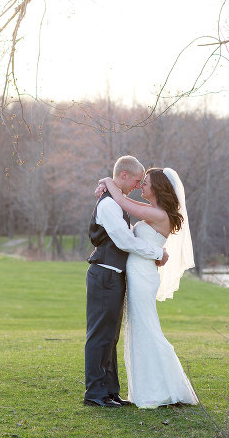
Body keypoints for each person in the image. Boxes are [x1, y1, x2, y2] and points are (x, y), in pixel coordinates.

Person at [96, 167, 199, 409]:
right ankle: (149, 388)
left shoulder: (159, 214)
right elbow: (126, 200)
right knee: (141, 330)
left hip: (143, 277)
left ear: (158, 188)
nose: (142, 185)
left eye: (146, 183)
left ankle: (169, 388)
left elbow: (121, 200)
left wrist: (107, 181)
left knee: (148, 329)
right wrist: (109, 186)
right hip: (139, 274)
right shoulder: (153, 211)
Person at [84, 156, 169, 408]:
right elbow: (124, 241)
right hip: (104, 275)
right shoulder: (109, 205)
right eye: (135, 180)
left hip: (114, 275)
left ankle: (110, 392)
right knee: (100, 335)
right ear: (123, 176)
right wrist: (156, 253)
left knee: (111, 336)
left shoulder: (117, 202)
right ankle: (95, 393)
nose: (137, 184)